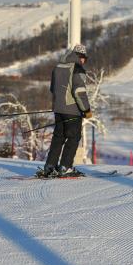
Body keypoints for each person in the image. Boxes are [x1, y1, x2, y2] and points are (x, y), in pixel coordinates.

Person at [42, 44, 92, 177]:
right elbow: (79, 92)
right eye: (84, 59)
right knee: (73, 137)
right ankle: (65, 167)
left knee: (58, 137)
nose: (84, 61)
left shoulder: (57, 67)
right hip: (72, 111)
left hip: (58, 109)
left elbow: (53, 89)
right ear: (80, 57)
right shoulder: (77, 69)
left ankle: (49, 166)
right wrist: (86, 110)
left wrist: (59, 104)